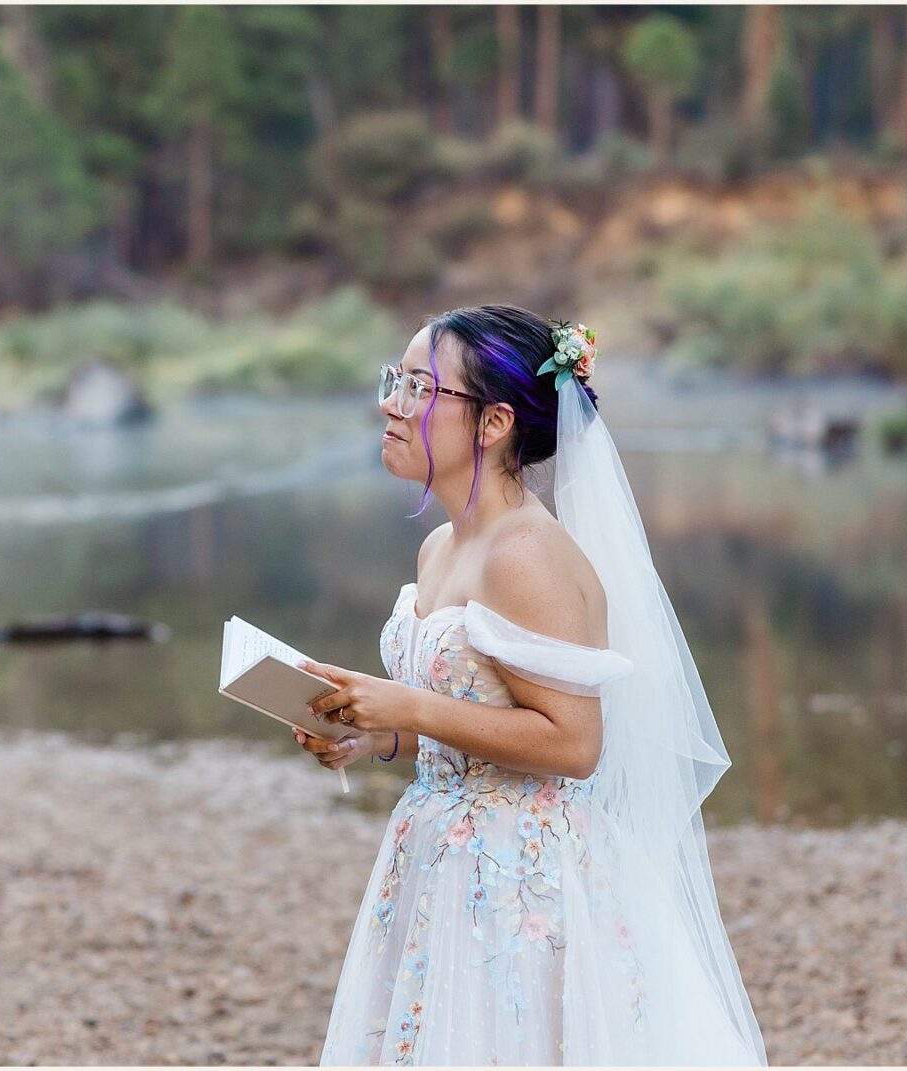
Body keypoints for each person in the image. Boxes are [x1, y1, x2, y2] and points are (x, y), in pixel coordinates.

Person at [294, 305, 767, 1064]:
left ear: (494, 423)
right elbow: (477, 715)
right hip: (437, 856)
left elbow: (574, 744)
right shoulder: (439, 546)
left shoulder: (524, 554)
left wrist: (410, 704)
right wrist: (374, 733)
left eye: (420, 388)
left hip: (521, 873)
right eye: (395, 381)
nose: (392, 405)